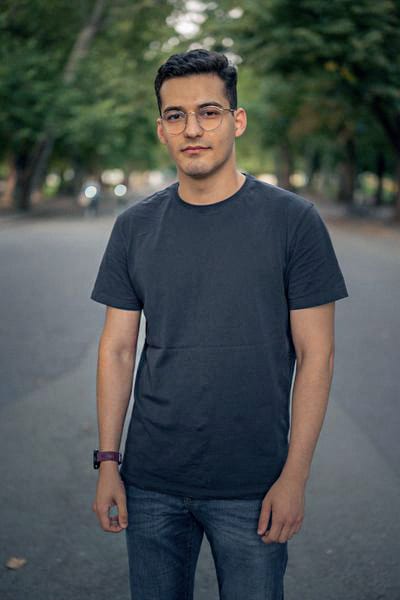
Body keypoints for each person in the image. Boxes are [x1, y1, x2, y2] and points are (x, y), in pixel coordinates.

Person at [90, 49, 349, 600]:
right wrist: (108, 461)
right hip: (151, 480)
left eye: (208, 112)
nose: (193, 128)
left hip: (253, 486)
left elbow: (317, 356)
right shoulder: (134, 227)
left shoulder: (293, 222)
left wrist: (294, 476)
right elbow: (116, 350)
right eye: (176, 115)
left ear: (237, 120)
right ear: (161, 129)